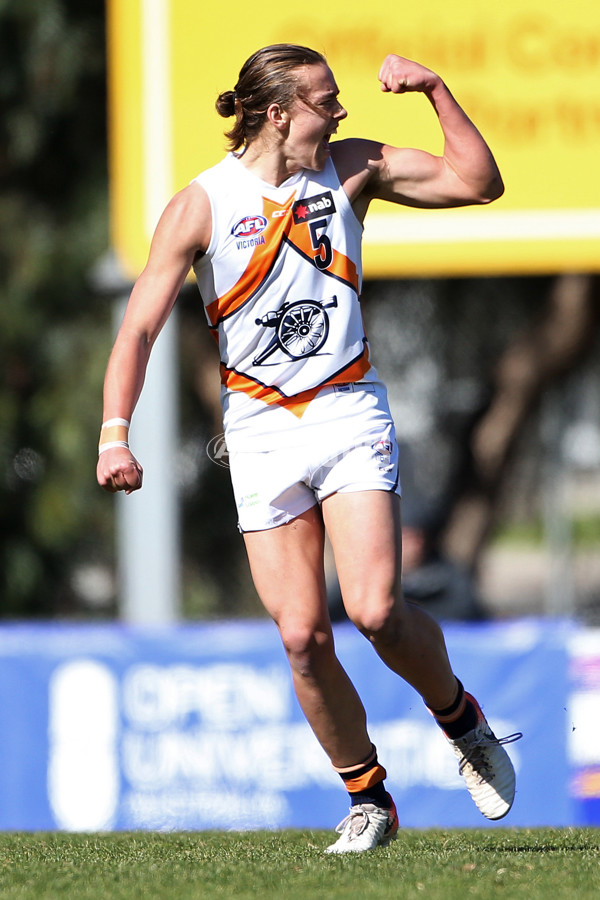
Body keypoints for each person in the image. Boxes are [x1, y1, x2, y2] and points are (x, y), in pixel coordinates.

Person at [97, 44, 520, 853]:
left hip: (348, 410)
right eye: (328, 100)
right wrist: (115, 431)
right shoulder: (200, 206)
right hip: (257, 430)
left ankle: (465, 726)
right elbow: (139, 326)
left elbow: (478, 182)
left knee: (375, 610)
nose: (343, 111)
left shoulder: (353, 167)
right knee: (301, 634)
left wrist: (435, 88)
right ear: (278, 111)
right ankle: (369, 799)